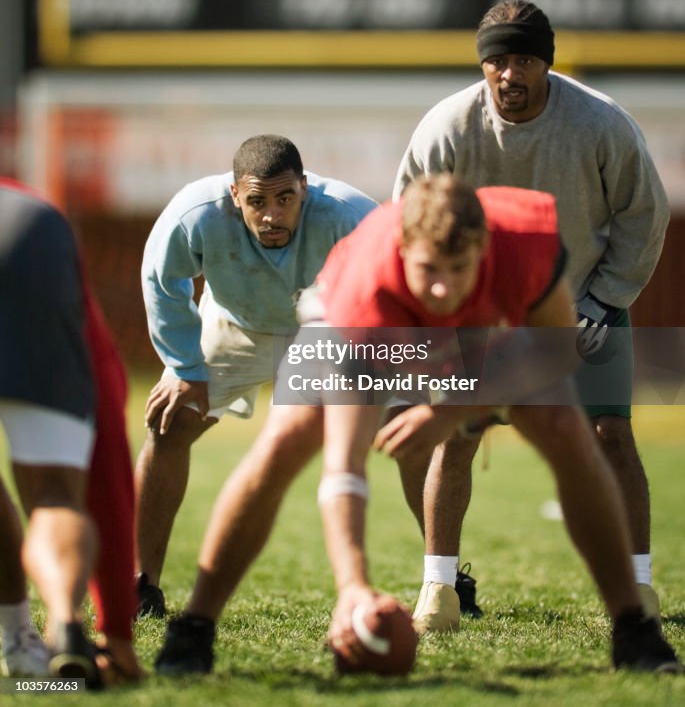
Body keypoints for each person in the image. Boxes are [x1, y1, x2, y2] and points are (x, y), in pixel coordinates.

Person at [313, 176, 681, 674]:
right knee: (290, 438)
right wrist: (352, 586)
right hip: (395, 330)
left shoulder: (523, 241)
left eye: (457, 267)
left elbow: (554, 356)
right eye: (429, 269)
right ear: (402, 251)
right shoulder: (360, 286)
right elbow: (344, 460)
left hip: (501, 327)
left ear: (484, 248)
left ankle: (633, 626)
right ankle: (195, 625)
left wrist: (453, 408)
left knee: (566, 430)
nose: (442, 285)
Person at [392, 0, 669, 633]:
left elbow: (642, 215)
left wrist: (605, 299)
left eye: (523, 60)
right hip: (474, 309)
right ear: (482, 66)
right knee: (457, 436)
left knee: (610, 436)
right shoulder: (446, 128)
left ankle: (638, 585)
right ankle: (439, 591)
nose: (509, 75)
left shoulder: (601, 124)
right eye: (496, 61)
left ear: (545, 63)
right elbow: (409, 223)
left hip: (583, 304)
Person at [136, 134, 376, 617]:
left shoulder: (351, 215)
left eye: (285, 198)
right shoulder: (194, 214)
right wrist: (184, 367)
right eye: (257, 201)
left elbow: (395, 277)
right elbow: (162, 282)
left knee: (412, 428)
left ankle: (442, 580)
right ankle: (141, 584)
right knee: (169, 422)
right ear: (233, 196)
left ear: (305, 190)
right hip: (234, 325)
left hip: (326, 330)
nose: (272, 215)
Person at [0, 180, 142, 686]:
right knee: (57, 495)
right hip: (27, 229)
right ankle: (66, 622)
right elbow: (107, 462)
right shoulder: (30, 204)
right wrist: (119, 635)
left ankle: (18, 643)